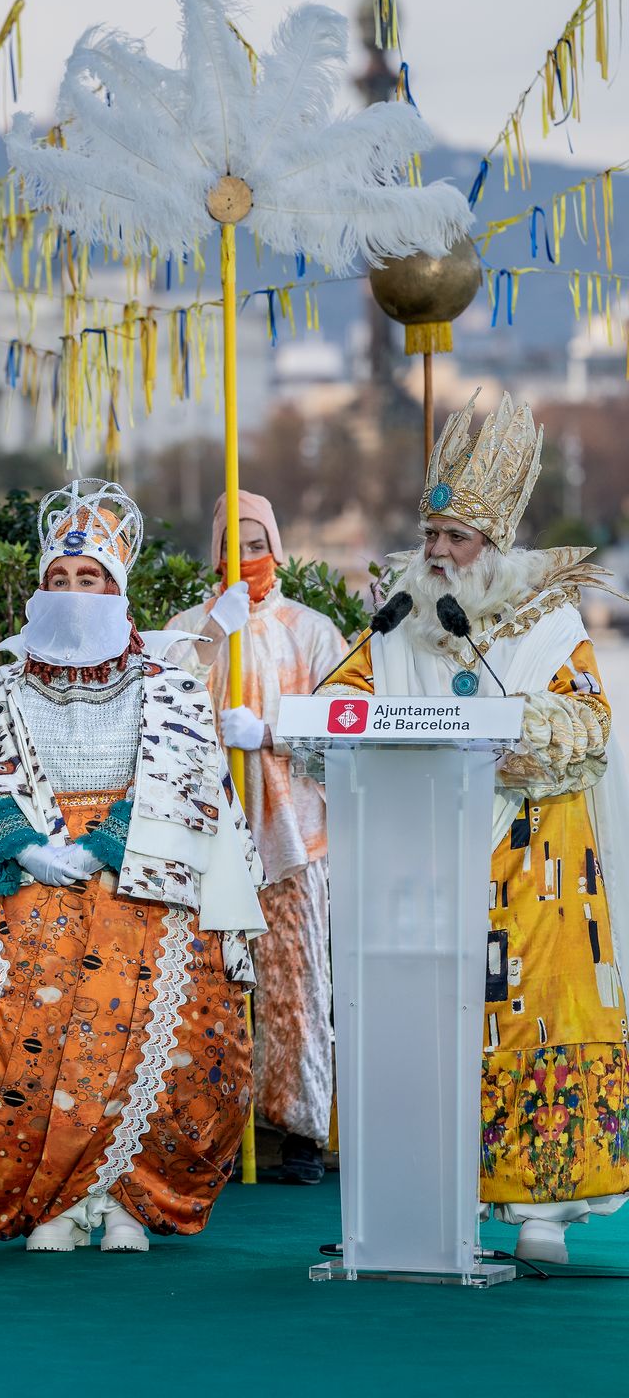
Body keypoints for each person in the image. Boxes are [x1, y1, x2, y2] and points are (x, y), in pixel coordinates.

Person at [322, 391, 629, 1263]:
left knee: (538, 1019)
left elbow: (588, 728)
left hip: (535, 860)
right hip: (424, 853)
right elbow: (340, 705)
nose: (440, 554)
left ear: (494, 547)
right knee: (427, 1021)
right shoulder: (395, 624)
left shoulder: (549, 624)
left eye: (457, 540)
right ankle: (430, 1194)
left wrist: (509, 735)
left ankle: (541, 1211)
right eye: (432, 538)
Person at [0, 479, 267, 1251]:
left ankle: (122, 1198)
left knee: (152, 1027)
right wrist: (26, 847)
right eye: (60, 578)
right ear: (40, 588)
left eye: (91, 580)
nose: (75, 590)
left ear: (118, 590)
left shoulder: (168, 682)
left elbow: (188, 774)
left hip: (141, 867)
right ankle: (52, 1202)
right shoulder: (5, 685)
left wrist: (103, 846)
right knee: (22, 1026)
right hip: (32, 871)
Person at [164, 491, 346, 1184]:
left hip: (294, 837)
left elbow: (339, 729)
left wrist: (270, 734)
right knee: (206, 986)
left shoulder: (313, 631)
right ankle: (206, 1130)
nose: (244, 557)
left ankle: (299, 1129)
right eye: (230, 544)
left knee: (294, 986)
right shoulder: (188, 629)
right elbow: (161, 713)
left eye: (256, 540)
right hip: (208, 835)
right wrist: (213, 637)